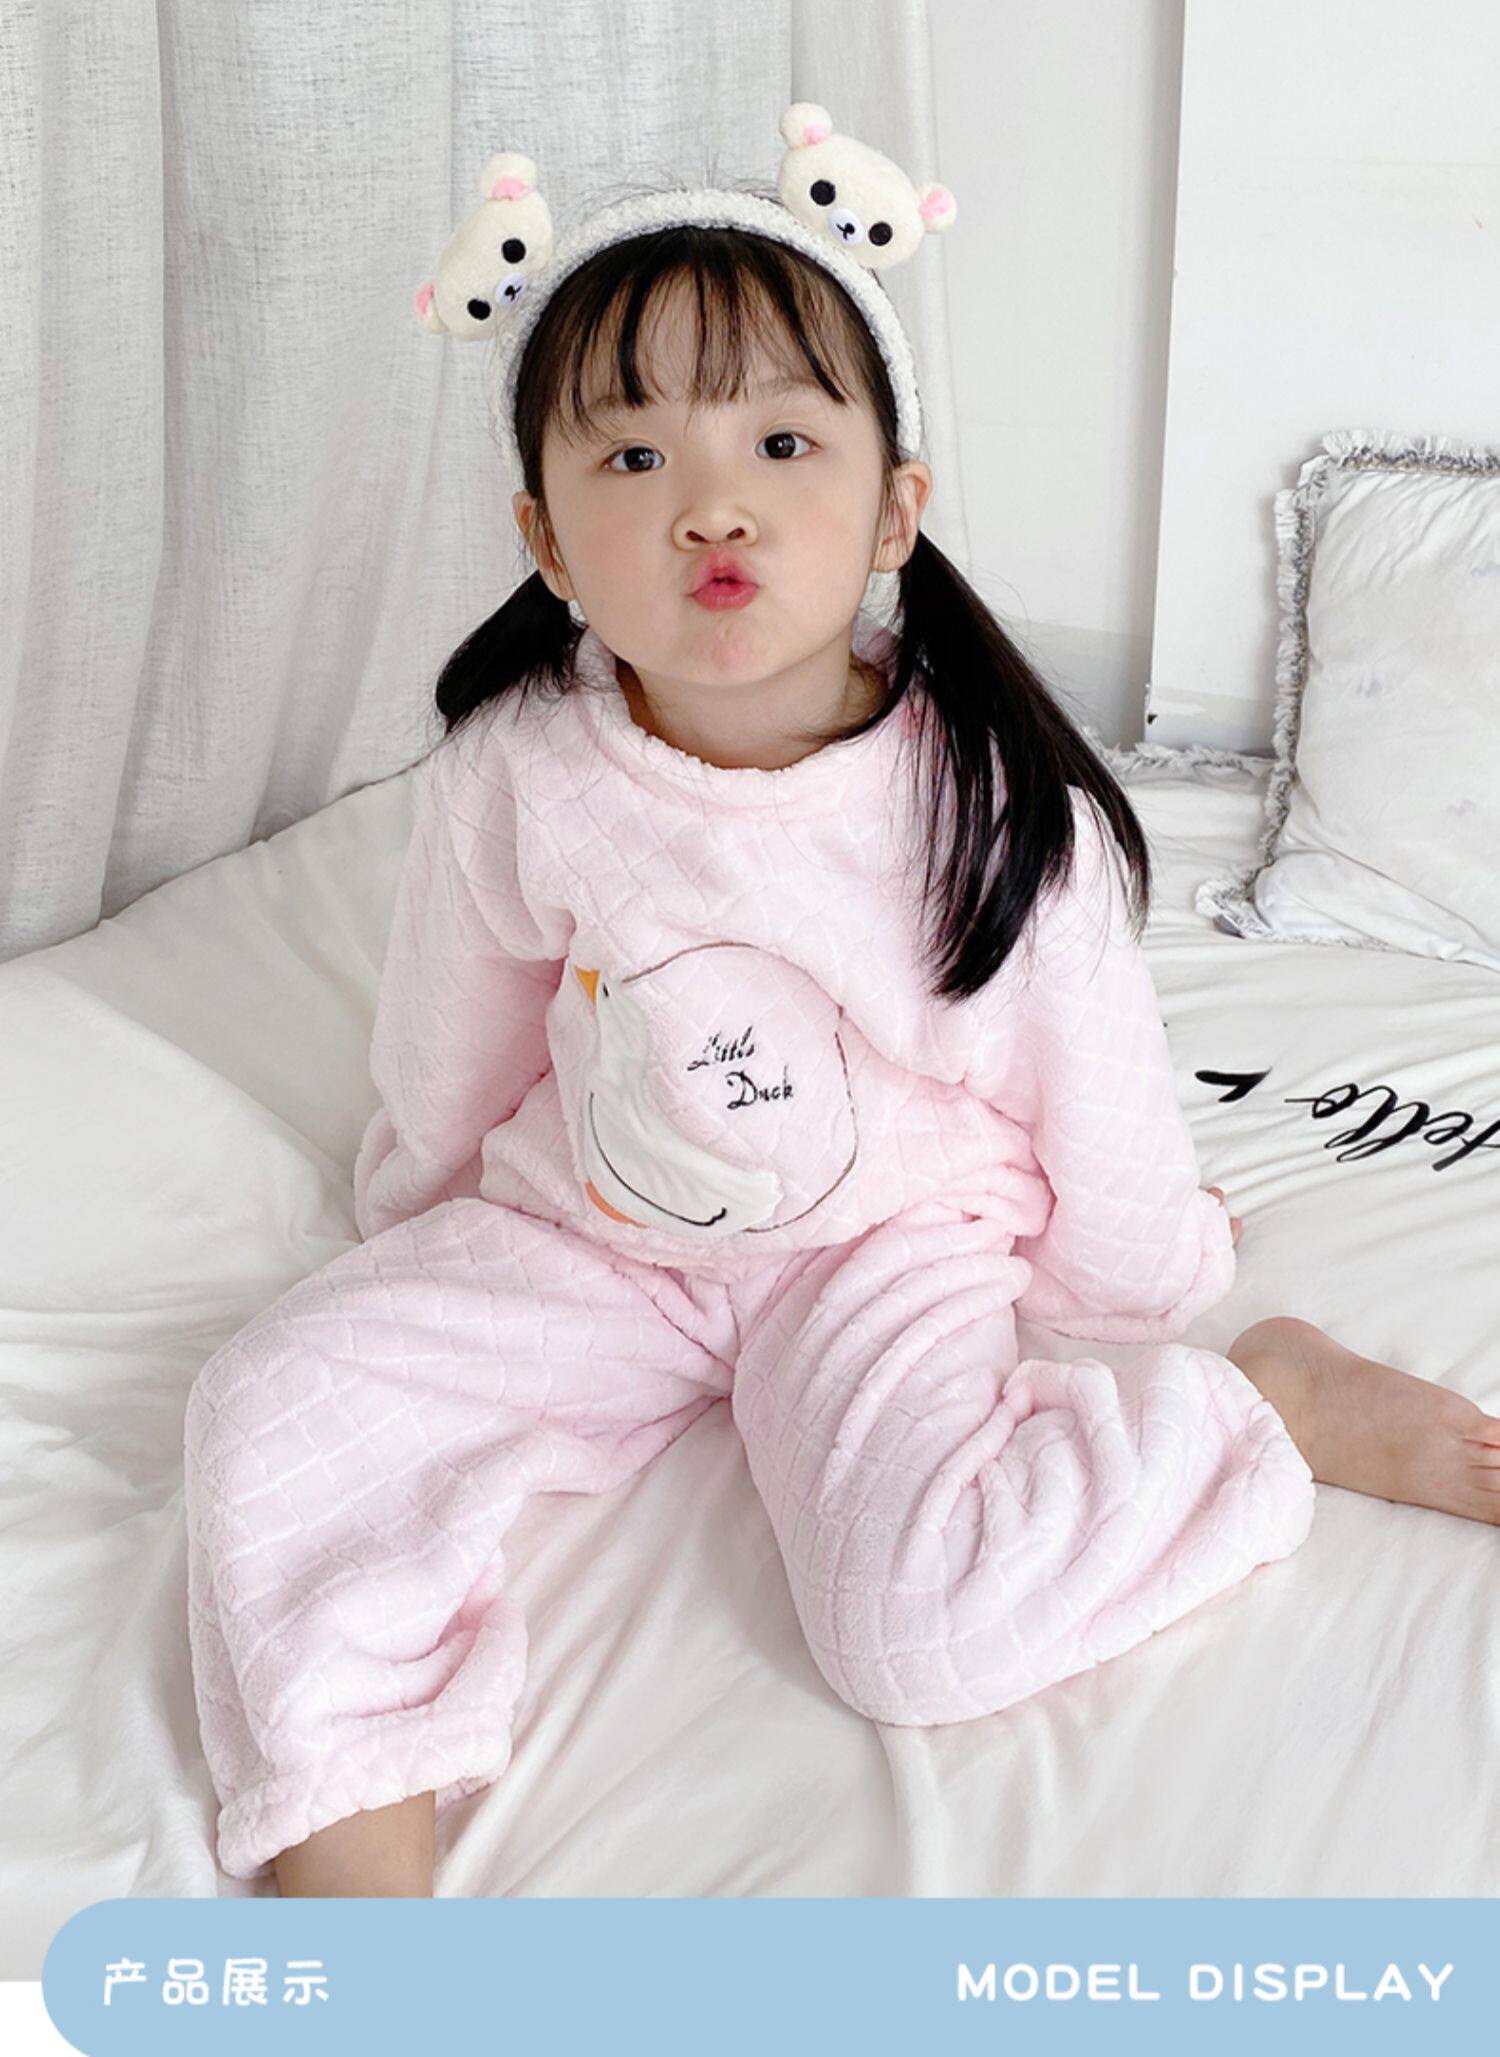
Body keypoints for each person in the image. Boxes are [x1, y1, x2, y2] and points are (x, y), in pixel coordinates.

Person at [182, 117, 1500, 1901]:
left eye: (783, 444)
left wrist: (1148, 1282)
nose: (712, 505)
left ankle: (1267, 1407)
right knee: (278, 1401)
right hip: (600, 1229)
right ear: (547, 542)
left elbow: (1092, 1076)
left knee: (918, 1622)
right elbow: (456, 1022)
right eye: (633, 454)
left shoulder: (983, 801)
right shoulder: (522, 766)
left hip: (882, 1242)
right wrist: (420, 1214)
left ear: (893, 506)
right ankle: (359, 1868)